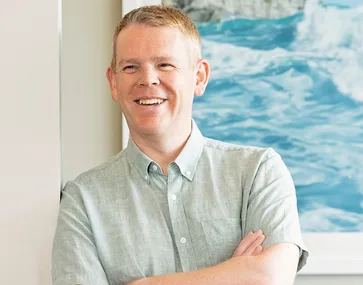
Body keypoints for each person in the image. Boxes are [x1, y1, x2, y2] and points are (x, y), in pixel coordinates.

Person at [52, 5, 308, 285]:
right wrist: (232, 274)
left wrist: (144, 284)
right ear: (113, 83)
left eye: (165, 64)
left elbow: (270, 277)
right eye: (130, 67)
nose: (147, 79)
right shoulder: (82, 201)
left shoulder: (258, 172)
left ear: (199, 77)